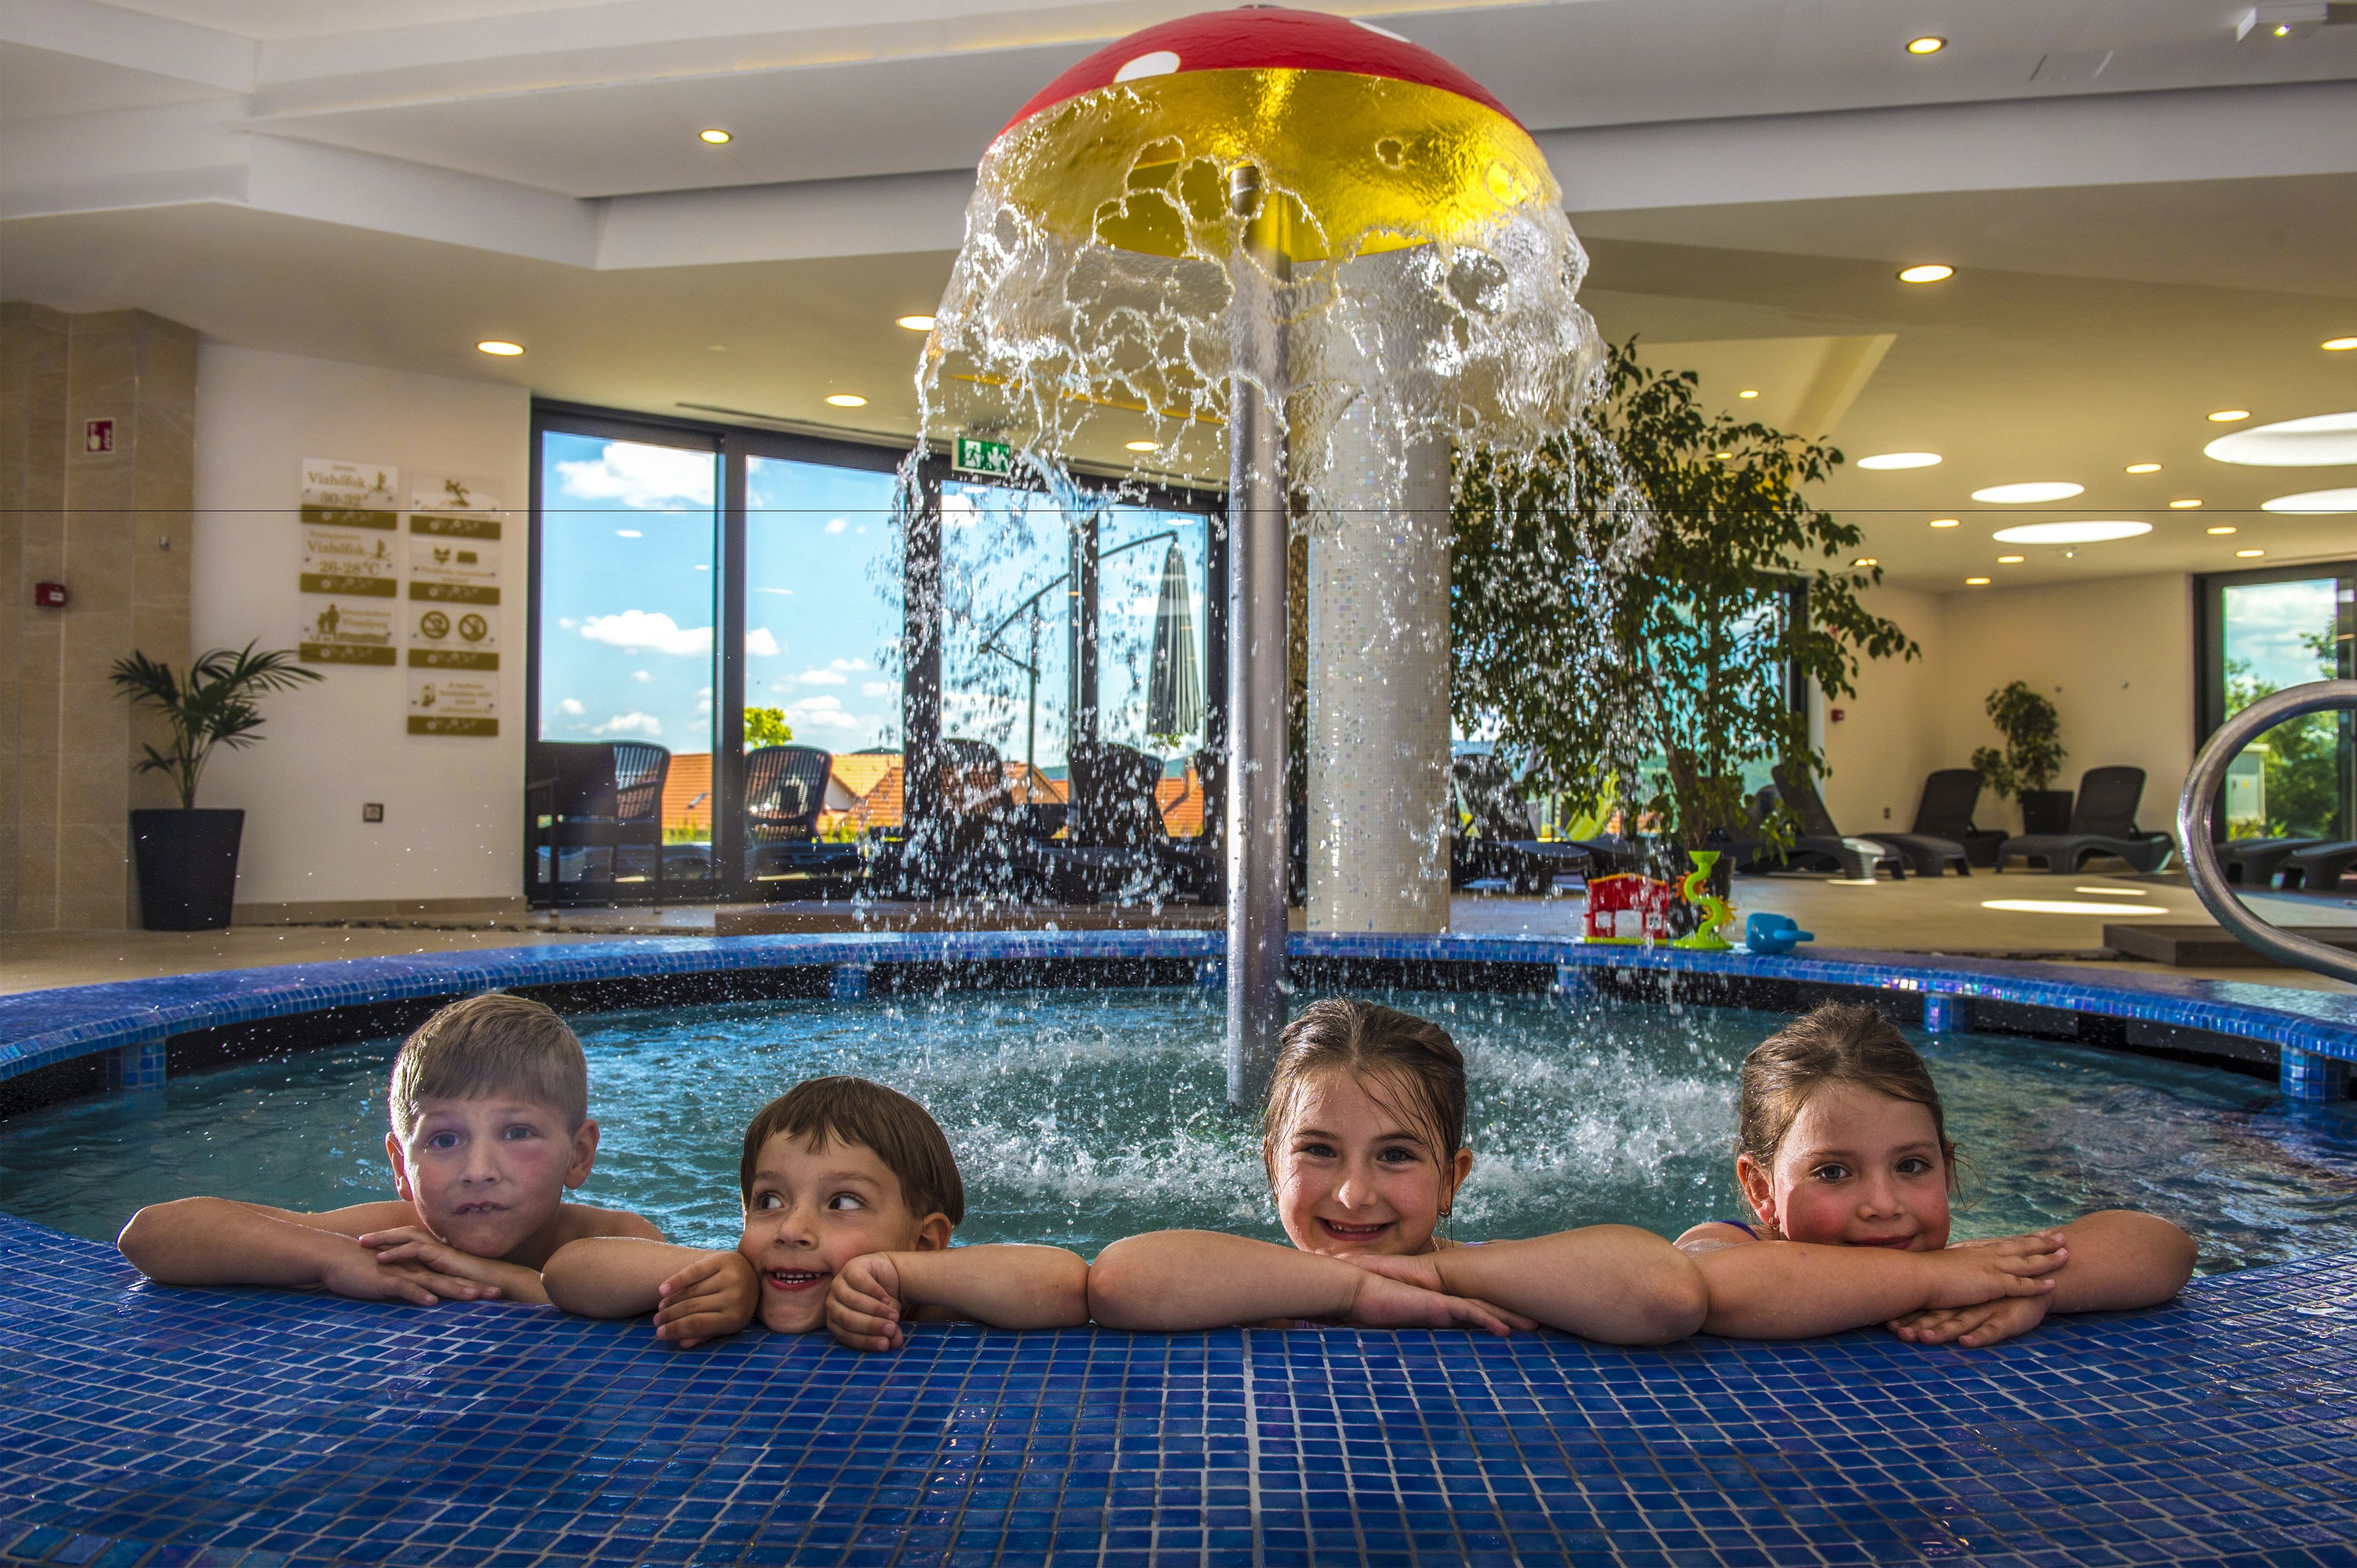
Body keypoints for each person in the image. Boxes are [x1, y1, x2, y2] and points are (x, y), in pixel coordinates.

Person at [1087, 999, 1706, 1342]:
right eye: (1320, 1150)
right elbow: (1116, 1281)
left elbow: (1670, 1292)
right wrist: (1350, 1288)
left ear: (1451, 1179)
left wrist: (1433, 1271)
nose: (1354, 1194)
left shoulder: (1490, 1278)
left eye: (1396, 1154)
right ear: (1271, 1164)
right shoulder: (1247, 1283)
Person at [1674, 1001, 2197, 1345]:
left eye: (1911, 1165)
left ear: (1946, 1170)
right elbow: (1697, 1283)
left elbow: (2164, 1247)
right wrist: (1932, 1280)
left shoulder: (1958, 1267)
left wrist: (2029, 1287)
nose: (1884, 1203)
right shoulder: (1735, 1243)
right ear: (1762, 1189)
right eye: (1833, 1172)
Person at [117, 992, 659, 1305]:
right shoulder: (398, 1238)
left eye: (517, 1133)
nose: (479, 1170)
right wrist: (333, 1260)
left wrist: (497, 1279)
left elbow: (665, 1306)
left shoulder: (619, 1239)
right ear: (402, 1165)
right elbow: (152, 1234)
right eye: (444, 1140)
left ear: (579, 1154)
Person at [543, 1075, 1087, 1350]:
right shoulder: (740, 1292)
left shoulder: (930, 1309)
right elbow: (567, 1270)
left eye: (842, 1202)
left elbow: (1068, 1285)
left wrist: (902, 1275)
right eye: (770, 1201)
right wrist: (722, 1270)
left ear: (925, 1242)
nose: (792, 1230)